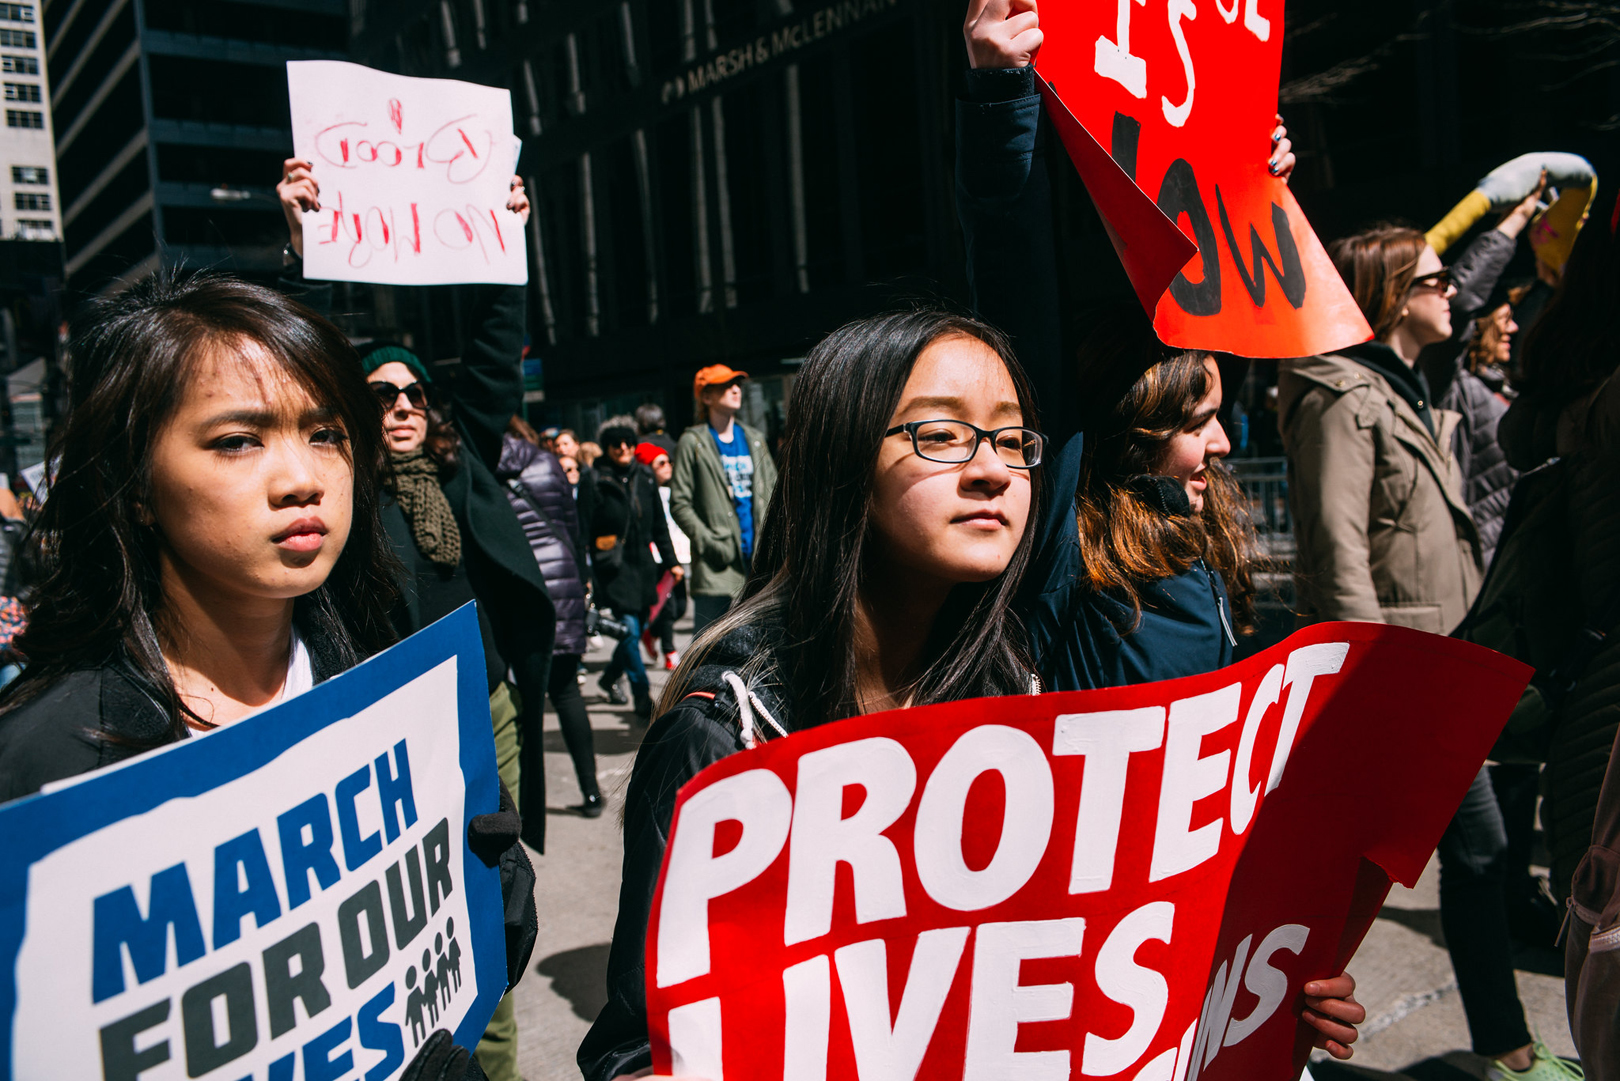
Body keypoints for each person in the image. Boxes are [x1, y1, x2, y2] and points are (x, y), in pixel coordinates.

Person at [577, 307, 1364, 1081]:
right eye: (942, 434)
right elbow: (638, 1046)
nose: (992, 467)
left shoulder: (1013, 685)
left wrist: (1248, 989)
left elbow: (1073, 964)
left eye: (1014, 438)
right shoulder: (724, 734)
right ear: (840, 456)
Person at [0, 270, 533, 1080]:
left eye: (325, 433)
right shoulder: (44, 764)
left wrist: (481, 889)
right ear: (137, 483)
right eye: (238, 440)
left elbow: (480, 958)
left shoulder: (390, 694)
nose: (301, 478)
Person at [279, 159, 551, 1081]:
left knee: (491, 900)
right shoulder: (343, 485)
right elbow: (298, 360)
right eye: (382, 394)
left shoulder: (462, 460)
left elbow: (491, 347)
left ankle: (498, 1063)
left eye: (413, 394)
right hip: (394, 737)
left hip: (491, 714)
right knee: (411, 916)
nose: (400, 404)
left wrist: (506, 239)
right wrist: (305, 245)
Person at [955, 4, 1270, 691]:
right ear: (1136, 428)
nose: (1221, 444)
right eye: (1196, 423)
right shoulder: (1064, 547)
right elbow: (1018, 289)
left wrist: (1255, 182)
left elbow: (1234, 302)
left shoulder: (1198, 533)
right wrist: (1002, 98)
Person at [498, 420, 603, 817]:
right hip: (563, 582)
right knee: (566, 692)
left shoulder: (484, 464)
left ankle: (522, 804)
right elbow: (574, 530)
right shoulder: (548, 463)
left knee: (521, 701)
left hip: (520, 590)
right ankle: (592, 792)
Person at [669, 365, 778, 637]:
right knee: (708, 648)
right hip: (716, 567)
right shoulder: (692, 442)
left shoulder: (754, 439)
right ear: (706, 397)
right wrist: (708, 542)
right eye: (725, 386)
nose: (735, 389)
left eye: (737, 384)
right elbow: (680, 503)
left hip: (758, 562)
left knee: (758, 645)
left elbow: (776, 495)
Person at [591, 423, 679, 719]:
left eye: (628, 442)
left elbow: (659, 526)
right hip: (613, 568)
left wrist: (671, 561)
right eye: (616, 444)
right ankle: (642, 695)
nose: (623, 449)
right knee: (628, 630)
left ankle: (608, 677)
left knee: (637, 628)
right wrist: (585, 575)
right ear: (607, 447)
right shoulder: (596, 478)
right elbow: (583, 530)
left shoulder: (645, 477)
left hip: (643, 567)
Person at [636, 442, 689, 671]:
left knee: (680, 607)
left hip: (676, 554)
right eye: (661, 463)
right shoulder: (643, 493)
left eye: (669, 461)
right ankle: (670, 651)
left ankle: (651, 631)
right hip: (656, 557)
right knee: (666, 608)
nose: (668, 466)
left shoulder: (672, 491)